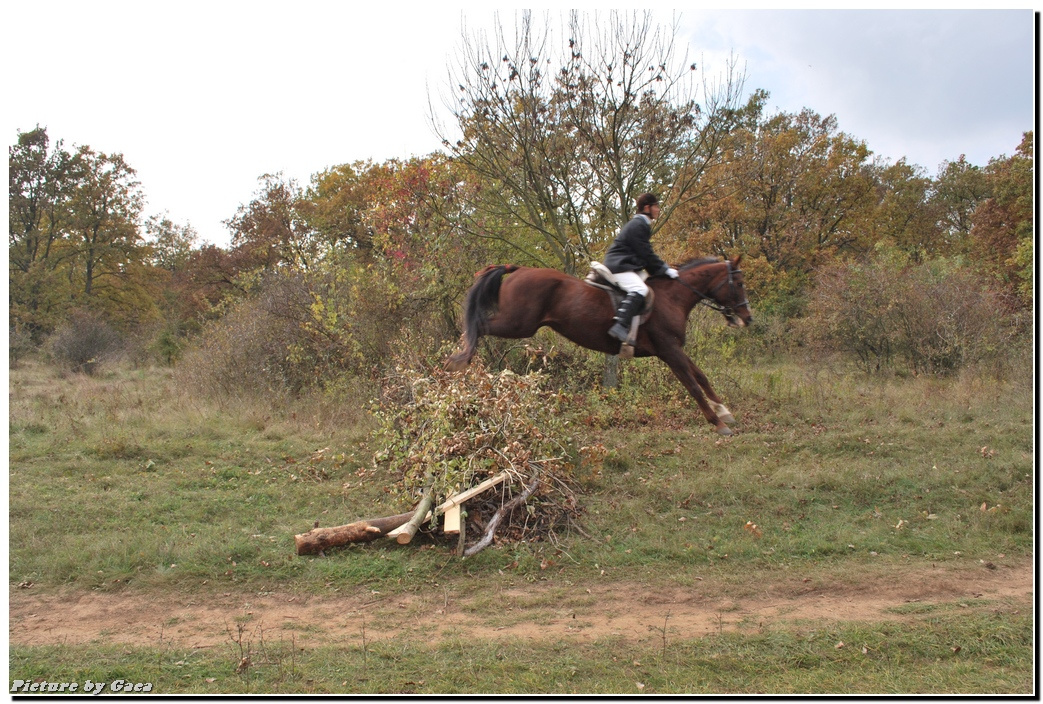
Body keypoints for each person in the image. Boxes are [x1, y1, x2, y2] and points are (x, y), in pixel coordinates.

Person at [601, 193, 679, 342]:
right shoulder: (639, 224)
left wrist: (661, 272)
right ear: (647, 207)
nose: (658, 209)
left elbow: (644, 255)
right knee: (640, 289)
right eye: (656, 206)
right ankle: (620, 325)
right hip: (619, 266)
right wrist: (665, 269)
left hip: (627, 265)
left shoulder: (641, 224)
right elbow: (646, 254)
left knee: (650, 286)